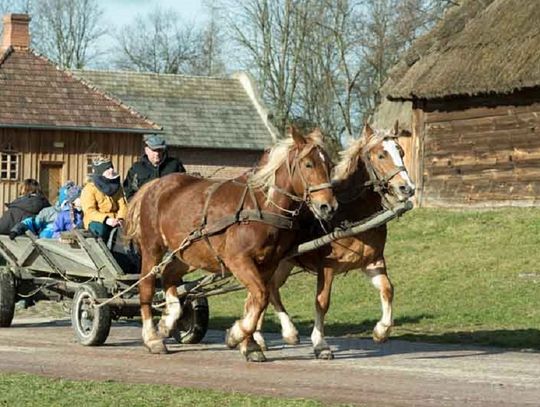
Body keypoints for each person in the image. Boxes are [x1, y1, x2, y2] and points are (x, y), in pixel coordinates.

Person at [123, 134, 185, 200]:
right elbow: (129, 191)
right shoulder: (137, 168)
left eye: (159, 150)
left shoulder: (175, 165)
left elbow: (185, 186)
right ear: (146, 150)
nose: (157, 154)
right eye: (154, 150)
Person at [81, 157, 127, 242]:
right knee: (100, 229)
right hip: (96, 221)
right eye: (107, 168)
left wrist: (121, 218)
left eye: (111, 167)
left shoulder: (117, 186)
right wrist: (106, 219)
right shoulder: (89, 189)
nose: (111, 170)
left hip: (116, 219)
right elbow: (89, 210)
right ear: (100, 172)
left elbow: (123, 205)